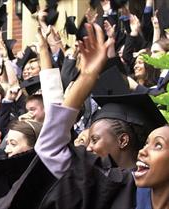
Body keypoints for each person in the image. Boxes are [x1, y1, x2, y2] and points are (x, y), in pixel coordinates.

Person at [35, 23, 167, 209]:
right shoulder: (114, 186)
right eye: (147, 143)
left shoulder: (132, 188)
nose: (87, 148)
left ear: (123, 140)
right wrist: (87, 76)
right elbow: (50, 146)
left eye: (158, 145)